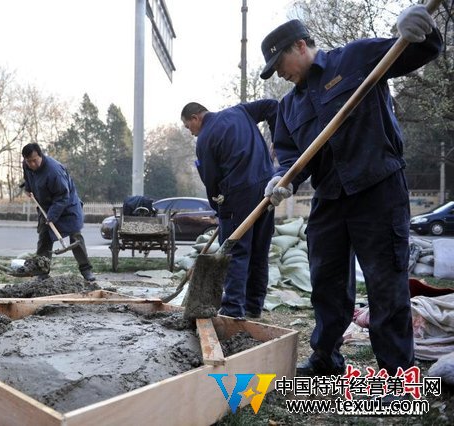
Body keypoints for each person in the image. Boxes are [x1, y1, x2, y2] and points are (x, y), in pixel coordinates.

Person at [260, 6, 442, 376]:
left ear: (300, 45)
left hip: (378, 188)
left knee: (385, 283)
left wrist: (422, 30)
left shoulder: (355, 58)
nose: (279, 72)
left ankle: (395, 371)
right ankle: (326, 357)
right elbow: (291, 159)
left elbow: (416, 50)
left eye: (280, 63)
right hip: (330, 198)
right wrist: (282, 181)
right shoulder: (288, 107)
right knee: (325, 283)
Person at [181, 100, 278, 319]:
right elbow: (273, 106)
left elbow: (211, 180)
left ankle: (233, 309)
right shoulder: (240, 111)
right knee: (259, 252)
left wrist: (218, 209)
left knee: (236, 252)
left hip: (238, 195)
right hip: (267, 188)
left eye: (189, 127)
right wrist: (278, 142)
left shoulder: (205, 138)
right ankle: (253, 307)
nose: (191, 133)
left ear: (196, 118)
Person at [21, 143, 96, 282]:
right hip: (45, 206)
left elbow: (62, 196)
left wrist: (52, 216)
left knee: (75, 236)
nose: (32, 164)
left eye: (34, 160)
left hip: (67, 205)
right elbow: (28, 177)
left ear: (41, 156)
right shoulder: (26, 164)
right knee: (44, 238)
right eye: (28, 161)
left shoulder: (54, 171)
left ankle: (86, 271)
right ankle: (42, 272)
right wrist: (28, 187)